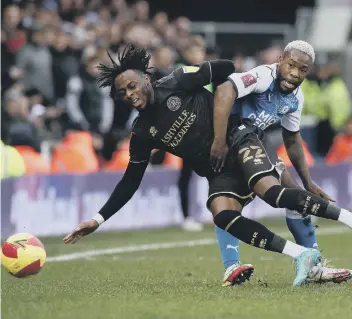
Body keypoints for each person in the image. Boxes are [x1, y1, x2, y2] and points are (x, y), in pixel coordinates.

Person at [63, 44, 352, 287]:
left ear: (146, 80)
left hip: (238, 139)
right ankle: (300, 255)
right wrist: (98, 220)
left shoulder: (178, 81)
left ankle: (345, 222)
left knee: (274, 194)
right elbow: (130, 181)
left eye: (132, 85)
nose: (129, 94)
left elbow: (225, 68)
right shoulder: (141, 133)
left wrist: (226, 95)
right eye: (123, 92)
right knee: (221, 213)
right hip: (217, 169)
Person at [212, 41, 352, 286]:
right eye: (291, 65)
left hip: (255, 144)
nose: (295, 73)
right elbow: (226, 89)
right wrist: (219, 141)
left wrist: (308, 182)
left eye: (303, 70)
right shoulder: (262, 76)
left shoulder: (297, 97)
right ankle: (232, 266)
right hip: (232, 143)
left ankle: (314, 266)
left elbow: (292, 137)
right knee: (227, 205)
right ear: (280, 60)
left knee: (295, 196)